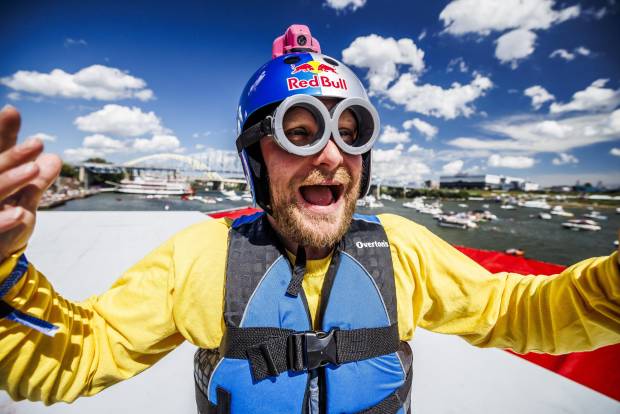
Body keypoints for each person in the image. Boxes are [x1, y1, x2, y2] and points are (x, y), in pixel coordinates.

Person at [0, 24, 619, 414]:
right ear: (254, 159)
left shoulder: (403, 252)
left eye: (350, 134)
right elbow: (73, 358)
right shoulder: (199, 257)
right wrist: (4, 272)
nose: (329, 154)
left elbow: (529, 313)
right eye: (299, 132)